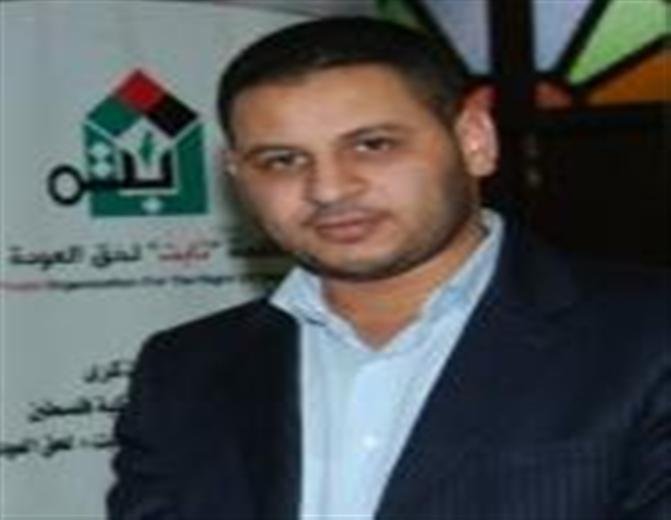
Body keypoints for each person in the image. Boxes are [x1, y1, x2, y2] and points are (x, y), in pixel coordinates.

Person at [107, 17, 670, 520]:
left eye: (372, 145)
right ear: (238, 176)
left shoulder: (646, 337)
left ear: (474, 141)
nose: (329, 189)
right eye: (282, 160)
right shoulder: (184, 371)